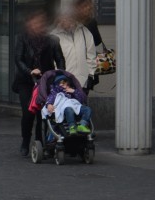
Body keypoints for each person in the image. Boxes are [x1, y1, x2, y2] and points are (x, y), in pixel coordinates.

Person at [12, 9, 66, 157]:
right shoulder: (22, 38)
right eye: (35, 22)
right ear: (29, 24)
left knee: (44, 113)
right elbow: (18, 59)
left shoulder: (52, 40)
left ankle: (41, 141)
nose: (38, 25)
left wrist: (60, 76)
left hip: (46, 81)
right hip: (26, 81)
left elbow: (59, 59)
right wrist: (30, 71)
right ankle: (26, 140)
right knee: (28, 113)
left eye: (41, 22)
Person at [50, 9, 97, 91]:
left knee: (81, 103)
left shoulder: (84, 32)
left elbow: (91, 56)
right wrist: (57, 76)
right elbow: (51, 60)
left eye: (70, 17)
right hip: (62, 82)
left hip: (82, 81)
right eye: (64, 18)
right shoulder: (53, 36)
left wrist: (90, 74)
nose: (67, 20)